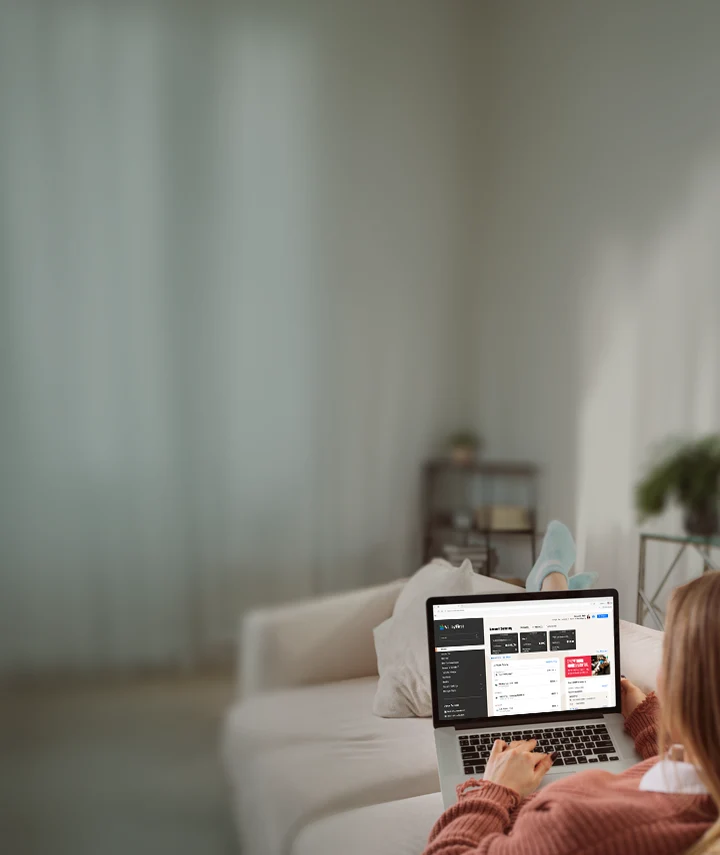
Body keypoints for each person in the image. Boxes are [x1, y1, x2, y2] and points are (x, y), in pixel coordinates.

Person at [422, 521, 719, 855]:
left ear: (686, 687)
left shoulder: (576, 828)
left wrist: (496, 788)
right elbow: (674, 771)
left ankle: (553, 578)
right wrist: (642, 717)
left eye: (670, 652)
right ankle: (555, 583)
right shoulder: (706, 784)